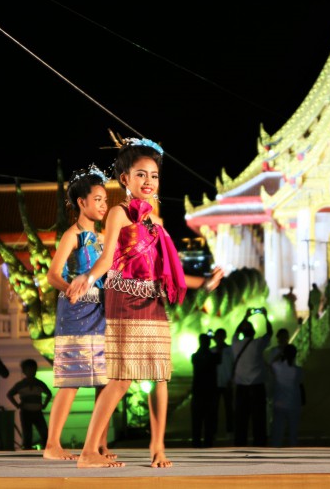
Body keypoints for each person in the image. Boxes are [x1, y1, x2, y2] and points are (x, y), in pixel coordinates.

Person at [65, 134, 223, 468]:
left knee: (160, 376)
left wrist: (206, 282)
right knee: (121, 379)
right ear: (125, 179)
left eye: (154, 176)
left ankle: (157, 448)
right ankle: (89, 451)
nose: (148, 181)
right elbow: (106, 259)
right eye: (141, 175)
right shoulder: (119, 213)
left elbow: (168, 271)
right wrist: (87, 278)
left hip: (154, 302)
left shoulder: (154, 222)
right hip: (124, 300)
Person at [42, 165, 113, 461]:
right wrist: (70, 289)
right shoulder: (73, 235)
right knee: (72, 379)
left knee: (105, 379)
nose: (103, 205)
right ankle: (52, 445)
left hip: (102, 308)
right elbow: (52, 274)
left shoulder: (104, 237)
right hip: (76, 311)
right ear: (82, 202)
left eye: (105, 200)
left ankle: (99, 444)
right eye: (97, 199)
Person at [231, 307, 273, 447]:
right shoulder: (258, 344)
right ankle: (259, 443)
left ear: (242, 333)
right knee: (259, 418)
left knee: (241, 418)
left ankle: (240, 443)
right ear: (254, 333)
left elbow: (236, 332)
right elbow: (269, 333)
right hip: (257, 386)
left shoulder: (236, 344)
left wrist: (245, 317)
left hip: (241, 387)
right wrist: (265, 316)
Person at [7, 358, 52, 450]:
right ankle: (28, 450)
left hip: (37, 411)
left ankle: (47, 449)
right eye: (29, 370)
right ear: (24, 371)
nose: (31, 372)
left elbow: (49, 394)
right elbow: (10, 394)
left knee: (44, 432)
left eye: (33, 369)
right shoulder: (21, 384)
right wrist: (17, 405)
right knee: (27, 434)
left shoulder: (39, 383)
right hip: (26, 412)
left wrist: (44, 405)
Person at [269, 343, 303, 447]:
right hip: (293, 404)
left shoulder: (278, 368)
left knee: (277, 433)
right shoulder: (298, 370)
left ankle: (276, 452)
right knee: (293, 433)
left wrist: (280, 353)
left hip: (279, 404)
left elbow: (271, 363)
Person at [190, 332, 220, 447]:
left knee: (196, 421)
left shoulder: (195, 356)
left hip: (198, 391)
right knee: (209, 420)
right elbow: (219, 357)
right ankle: (208, 442)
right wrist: (214, 340)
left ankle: (196, 442)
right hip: (210, 392)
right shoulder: (213, 356)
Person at [211, 327, 234, 437]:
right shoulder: (211, 350)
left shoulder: (231, 350)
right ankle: (213, 431)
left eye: (221, 336)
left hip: (227, 383)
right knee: (213, 409)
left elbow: (235, 366)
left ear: (224, 337)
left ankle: (230, 430)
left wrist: (232, 379)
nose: (219, 338)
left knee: (229, 408)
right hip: (215, 384)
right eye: (217, 336)